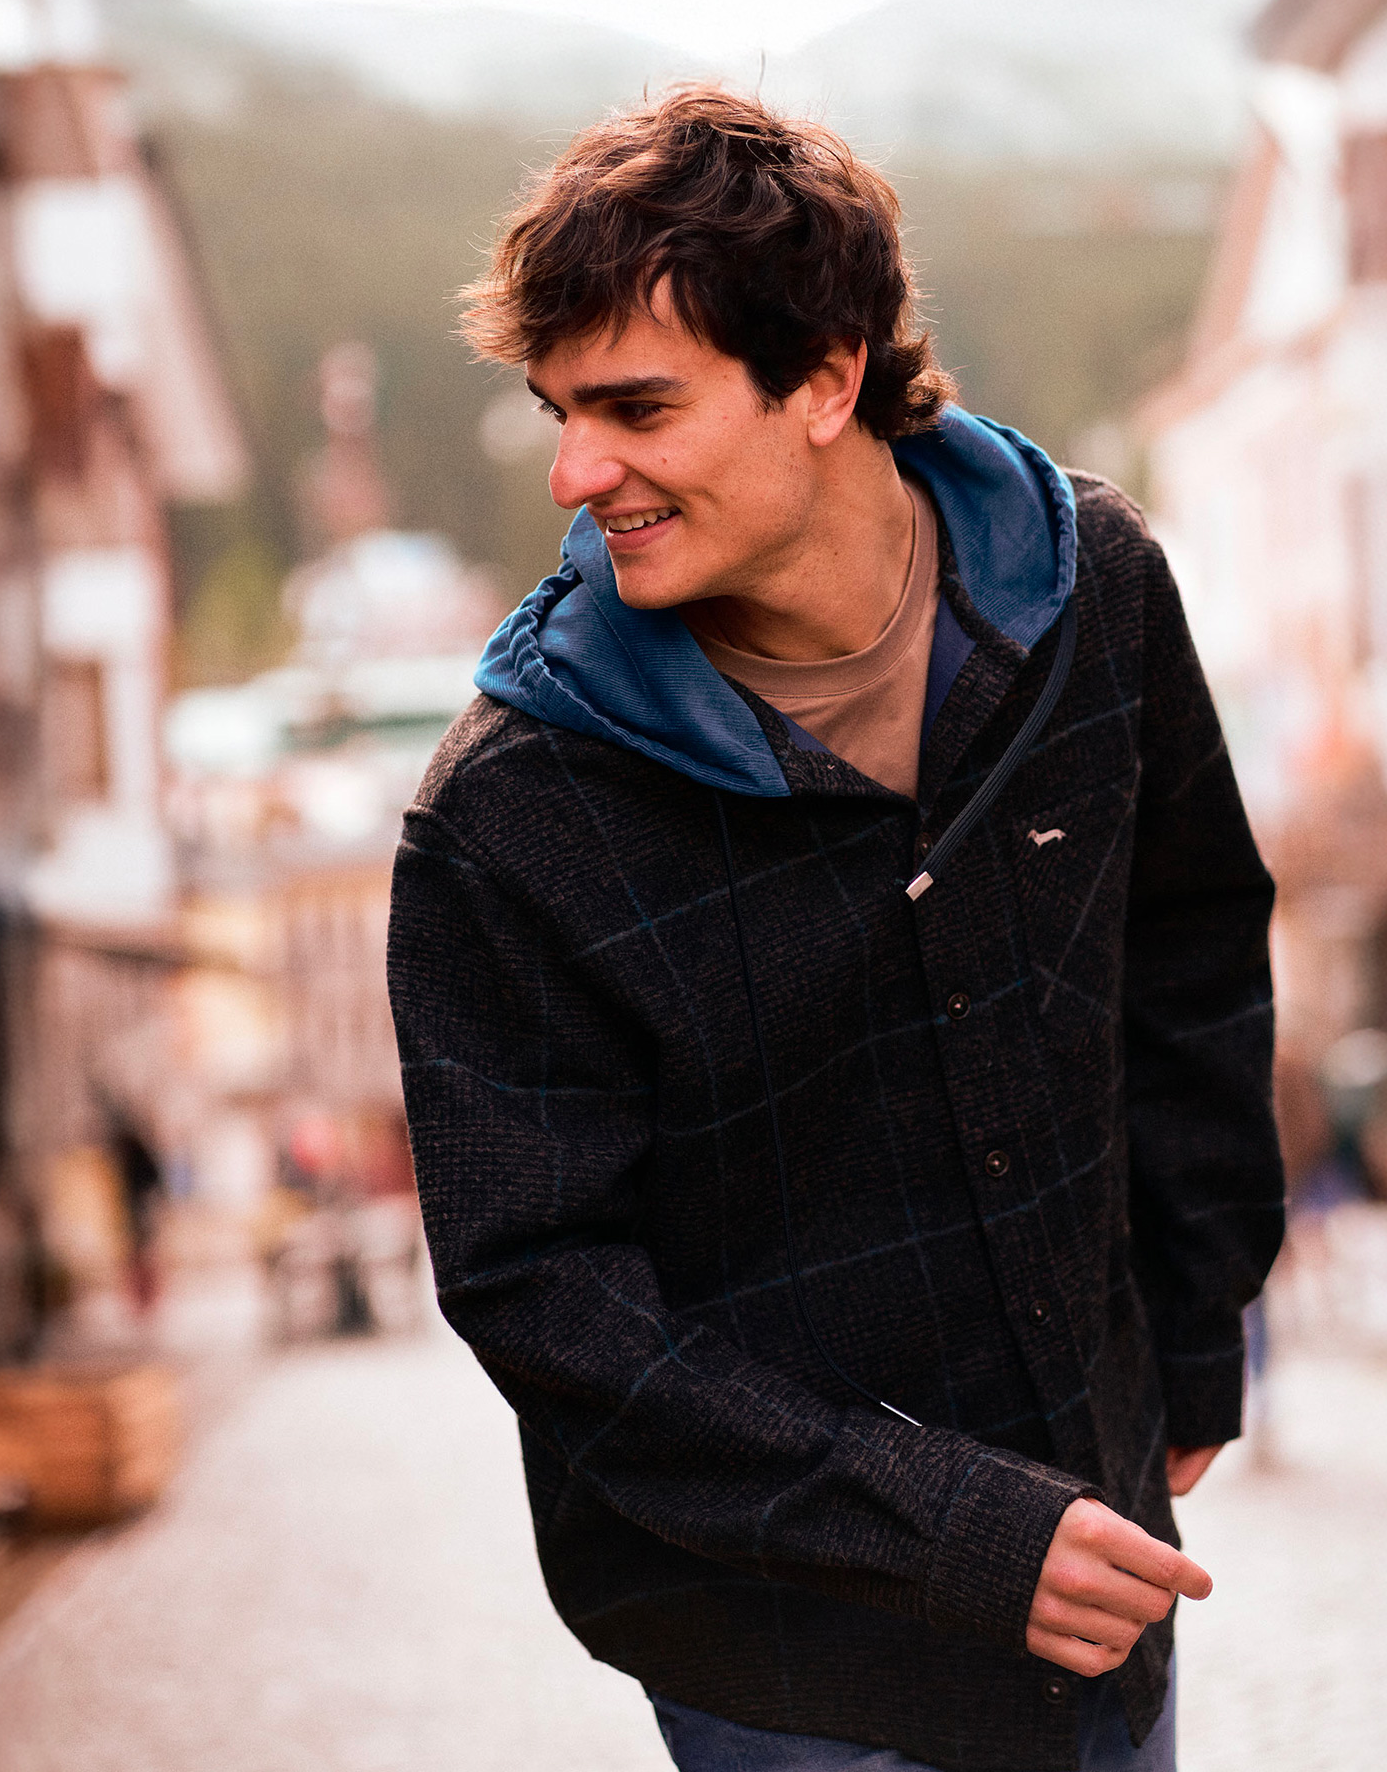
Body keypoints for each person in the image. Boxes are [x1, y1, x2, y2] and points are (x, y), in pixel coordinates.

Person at [388, 88, 1283, 1772]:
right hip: (778, 1656)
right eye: (560, 412)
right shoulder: (508, 819)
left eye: (637, 407)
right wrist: (944, 1528)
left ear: (826, 376)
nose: (581, 475)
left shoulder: (1098, 592)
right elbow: (544, 1292)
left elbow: (1194, 962)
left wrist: (1194, 1334)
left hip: (1106, 1570)